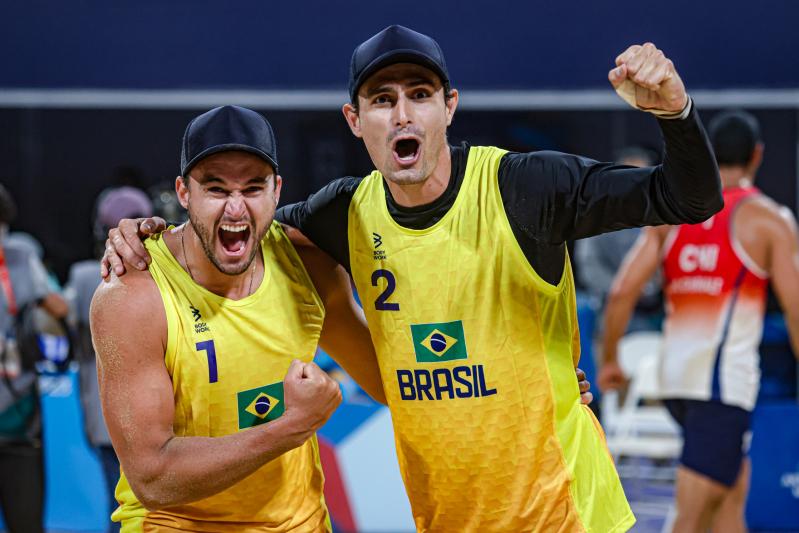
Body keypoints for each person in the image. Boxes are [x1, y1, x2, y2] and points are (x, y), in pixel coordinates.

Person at [103, 26, 720, 532]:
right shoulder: (342, 213)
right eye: (382, 99)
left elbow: (688, 198)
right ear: (355, 120)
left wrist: (675, 112)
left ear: (448, 106)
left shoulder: (524, 187)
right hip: (444, 518)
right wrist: (145, 232)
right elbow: (230, 231)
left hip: (561, 514)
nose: (403, 113)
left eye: (419, 94)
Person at [90, 106, 388, 531]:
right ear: (183, 193)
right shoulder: (133, 293)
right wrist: (292, 426)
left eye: (252, 188)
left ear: (277, 191)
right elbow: (153, 478)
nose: (235, 208)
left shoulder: (308, 265)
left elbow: (387, 383)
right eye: (215, 188)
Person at [598, 110, 799, 532]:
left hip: (676, 384)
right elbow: (796, 310)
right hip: (721, 389)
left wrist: (610, 360)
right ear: (757, 156)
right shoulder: (768, 220)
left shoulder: (673, 215)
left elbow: (619, 294)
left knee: (729, 503)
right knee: (688, 521)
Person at [65, 186, 154, 533]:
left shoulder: (85, 276)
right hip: (156, 418)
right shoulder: (165, 274)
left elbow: (58, 323)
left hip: (105, 419)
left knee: (120, 509)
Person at [0, 184, 68, 533]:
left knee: (26, 523)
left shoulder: (21, 254)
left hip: (20, 422)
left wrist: (40, 294)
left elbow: (60, 308)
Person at [575, 146, 663, 332]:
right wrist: (620, 289)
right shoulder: (596, 215)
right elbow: (589, 265)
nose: (636, 184)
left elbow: (668, 260)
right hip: (608, 306)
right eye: (629, 177)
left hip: (653, 311)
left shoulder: (662, 217)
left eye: (642, 178)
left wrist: (648, 288)